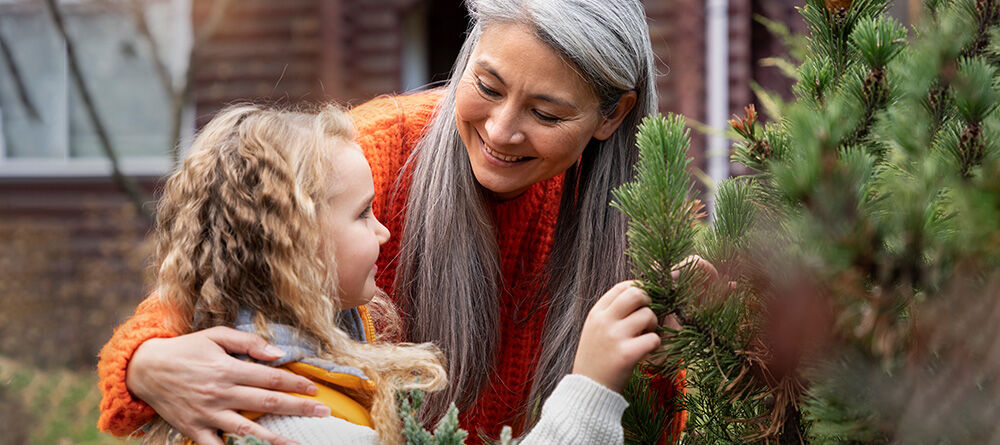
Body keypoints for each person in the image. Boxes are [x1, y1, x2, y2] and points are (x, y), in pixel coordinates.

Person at [97, 0, 688, 443]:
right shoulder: (374, 155)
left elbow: (659, 419)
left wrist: (704, 330)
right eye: (487, 86)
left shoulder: (638, 222)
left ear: (612, 117)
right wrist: (145, 363)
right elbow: (229, 266)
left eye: (546, 112)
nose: (502, 130)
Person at [131, 103, 666, 445]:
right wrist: (591, 386)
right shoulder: (284, 417)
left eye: (547, 111)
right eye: (364, 214)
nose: (387, 232)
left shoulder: (292, 369)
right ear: (295, 245)